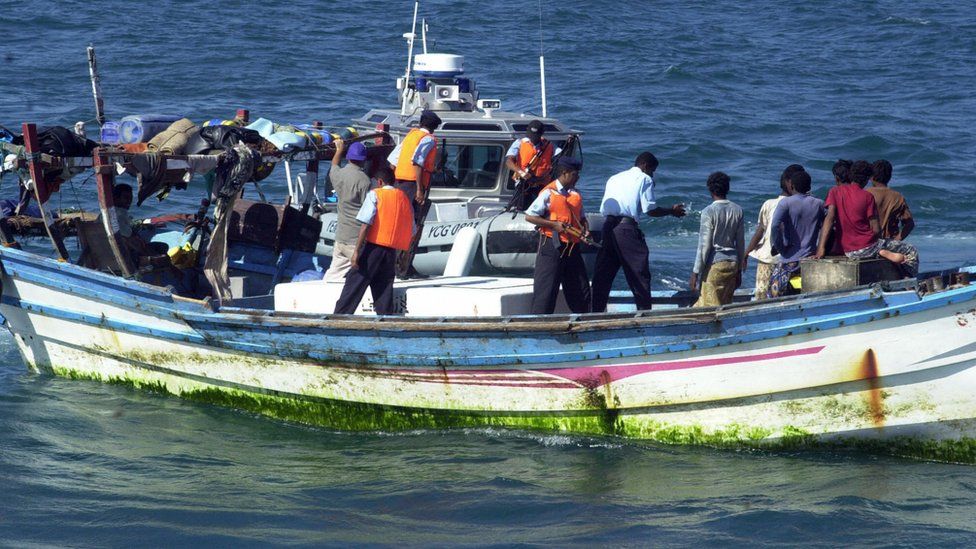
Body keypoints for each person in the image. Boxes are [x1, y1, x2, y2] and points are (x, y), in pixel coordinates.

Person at [590, 151, 686, 312]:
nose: (652, 174)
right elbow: (650, 209)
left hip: (608, 228)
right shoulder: (644, 179)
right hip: (626, 229)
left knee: (603, 274)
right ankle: (644, 314)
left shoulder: (614, 178)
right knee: (639, 273)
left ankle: (595, 313)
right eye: (652, 170)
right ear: (645, 166)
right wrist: (671, 211)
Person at [815, 160, 919, 276]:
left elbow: (829, 219)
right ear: (867, 179)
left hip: (847, 249)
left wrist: (821, 248)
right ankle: (907, 280)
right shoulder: (868, 196)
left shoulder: (834, 191)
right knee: (911, 250)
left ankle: (881, 252)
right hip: (868, 246)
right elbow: (876, 230)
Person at [333, 167, 414, 315]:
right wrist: (405, 256)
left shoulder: (375, 195)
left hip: (374, 248)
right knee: (383, 289)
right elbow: (411, 230)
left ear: (380, 181)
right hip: (391, 251)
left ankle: (339, 316)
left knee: (355, 282)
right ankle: (385, 322)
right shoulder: (404, 198)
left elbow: (365, 224)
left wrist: (356, 251)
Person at [524, 156, 591, 314]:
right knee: (546, 291)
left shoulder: (575, 194)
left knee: (581, 290)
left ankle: (585, 322)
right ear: (564, 173)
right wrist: (554, 225)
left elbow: (581, 217)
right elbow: (529, 216)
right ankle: (539, 328)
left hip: (572, 248)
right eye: (575, 174)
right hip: (551, 247)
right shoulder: (548, 193)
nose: (578, 177)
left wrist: (585, 229)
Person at [743, 164, 803, 300]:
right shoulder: (802, 204)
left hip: (767, 260)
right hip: (791, 262)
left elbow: (760, 232)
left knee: (762, 297)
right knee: (788, 297)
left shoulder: (769, 204)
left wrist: (746, 253)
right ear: (791, 183)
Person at [767, 170, 825, 297]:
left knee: (773, 295)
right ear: (809, 187)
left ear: (791, 186)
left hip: (789, 261)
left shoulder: (786, 203)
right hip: (810, 259)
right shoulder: (819, 203)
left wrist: (780, 248)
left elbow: (775, 227)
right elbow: (827, 228)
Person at [691, 172, 744, 308]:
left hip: (716, 265)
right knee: (725, 303)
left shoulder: (708, 212)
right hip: (732, 264)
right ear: (728, 188)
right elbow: (740, 243)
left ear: (710, 189)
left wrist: (695, 272)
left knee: (707, 306)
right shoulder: (737, 210)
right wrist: (739, 270)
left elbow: (704, 246)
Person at [324, 139, 372, 282]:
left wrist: (339, 150)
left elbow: (334, 165)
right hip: (355, 238)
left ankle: (324, 289)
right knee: (365, 273)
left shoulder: (338, 174)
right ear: (363, 160)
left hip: (341, 236)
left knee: (334, 272)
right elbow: (368, 213)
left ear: (349, 157)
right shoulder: (364, 181)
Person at [387, 109, 441, 206]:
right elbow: (417, 162)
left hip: (398, 182)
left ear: (420, 123)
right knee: (411, 215)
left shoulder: (410, 136)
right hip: (413, 185)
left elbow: (393, 162)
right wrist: (419, 190)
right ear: (434, 127)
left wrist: (393, 183)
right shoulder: (428, 139)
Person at [505, 119, 554, 210]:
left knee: (542, 210)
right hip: (524, 184)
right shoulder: (519, 143)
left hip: (542, 185)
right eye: (531, 135)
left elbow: (557, 159)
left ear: (541, 134)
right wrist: (521, 172)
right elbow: (509, 161)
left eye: (536, 135)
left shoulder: (549, 145)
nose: (533, 138)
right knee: (519, 208)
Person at [868, 159, 914, 241]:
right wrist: (896, 240)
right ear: (889, 177)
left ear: (871, 177)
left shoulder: (865, 194)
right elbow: (909, 224)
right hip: (889, 241)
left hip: (868, 242)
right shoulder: (898, 197)